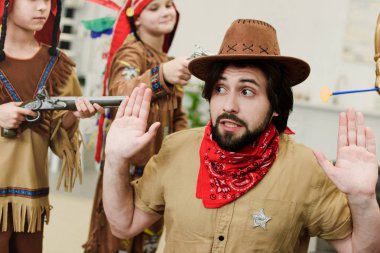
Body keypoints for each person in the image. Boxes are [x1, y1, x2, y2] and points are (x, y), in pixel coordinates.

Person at [102, 19, 380, 252]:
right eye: (220, 89)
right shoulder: (176, 150)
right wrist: (115, 160)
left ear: (276, 106)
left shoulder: (306, 169)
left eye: (247, 91)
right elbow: (123, 224)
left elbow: (359, 249)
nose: (228, 105)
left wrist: (363, 199)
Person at [83, 0, 189, 252]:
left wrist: (187, 150)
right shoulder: (131, 52)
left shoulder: (168, 60)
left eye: (168, 5)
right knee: (113, 242)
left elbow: (177, 117)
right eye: (154, 8)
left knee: (148, 243)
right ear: (136, 19)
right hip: (125, 173)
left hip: (158, 172)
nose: (165, 12)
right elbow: (119, 93)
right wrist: (161, 74)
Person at [0, 0, 103, 252]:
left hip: (30, 200)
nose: (42, 8)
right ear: (6, 5)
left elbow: (59, 138)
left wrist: (76, 117)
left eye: (48, 0)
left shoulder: (59, 65)